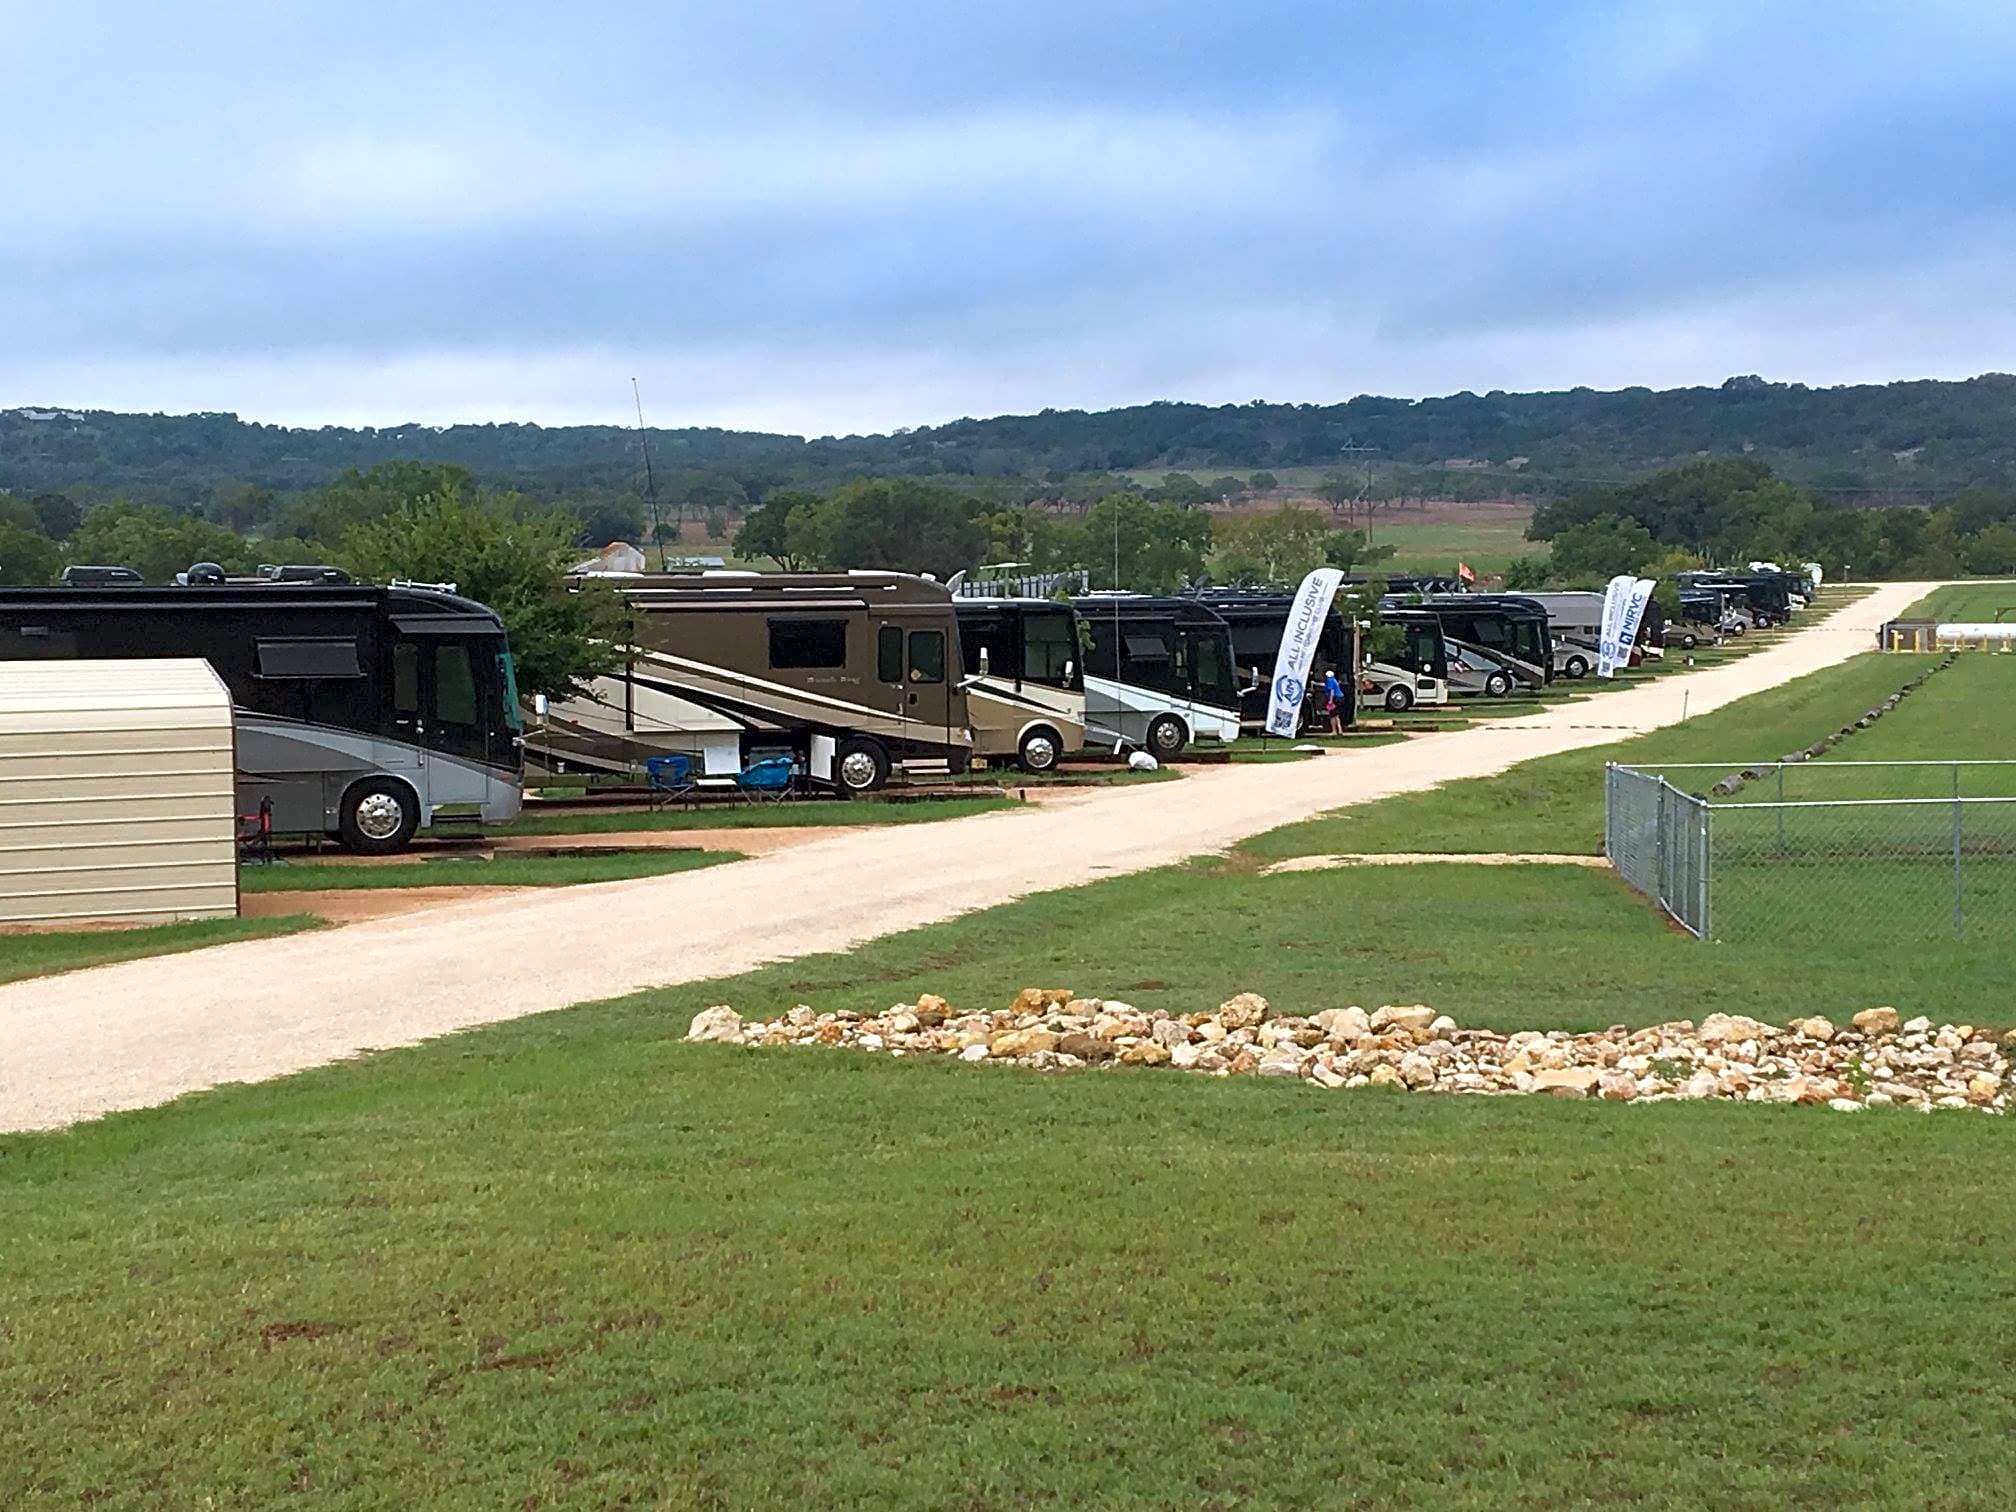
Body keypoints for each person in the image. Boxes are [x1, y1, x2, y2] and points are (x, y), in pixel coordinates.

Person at [1321, 666, 1346, 735]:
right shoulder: (1334, 680)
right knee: (1337, 715)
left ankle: (1334, 731)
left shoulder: (1330, 681)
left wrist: (1330, 701)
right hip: (1341, 697)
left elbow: (1332, 691)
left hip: (1335, 698)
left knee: (1332, 716)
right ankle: (1340, 730)